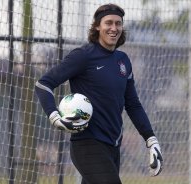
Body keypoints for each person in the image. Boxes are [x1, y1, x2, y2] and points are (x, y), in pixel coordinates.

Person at [35, 3, 163, 184]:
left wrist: (151, 140)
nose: (114, 28)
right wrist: (55, 117)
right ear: (97, 26)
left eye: (118, 24)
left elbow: (133, 105)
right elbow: (43, 85)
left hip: (113, 145)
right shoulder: (83, 56)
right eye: (108, 23)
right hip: (87, 144)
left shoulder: (123, 61)